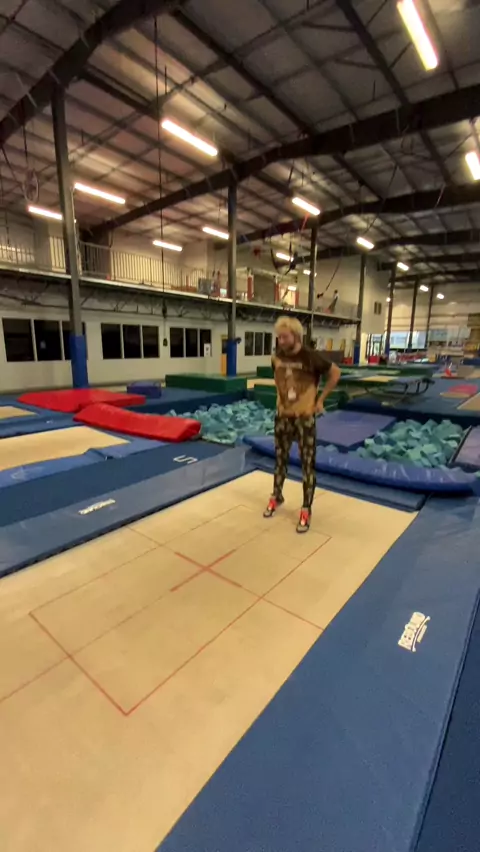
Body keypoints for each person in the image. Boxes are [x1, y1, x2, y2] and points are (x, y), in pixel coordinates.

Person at [264, 316, 341, 533]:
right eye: (278, 337)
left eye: (284, 337)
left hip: (304, 418)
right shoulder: (276, 357)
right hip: (283, 417)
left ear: (296, 336)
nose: (280, 341)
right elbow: (280, 380)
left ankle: (306, 508)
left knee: (307, 464)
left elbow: (335, 373)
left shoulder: (311, 357)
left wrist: (320, 400)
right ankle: (277, 495)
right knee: (280, 459)